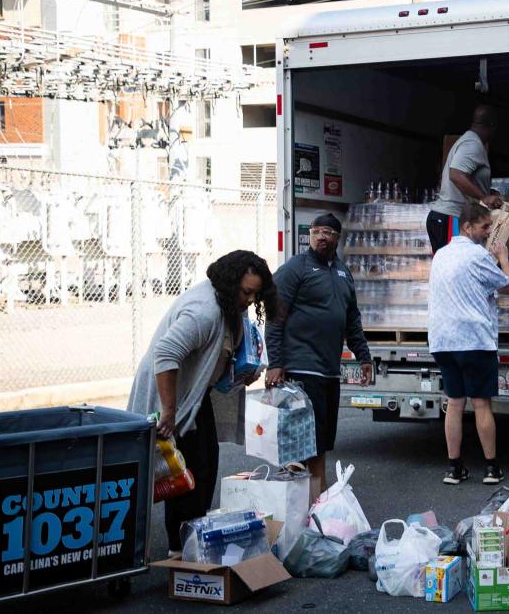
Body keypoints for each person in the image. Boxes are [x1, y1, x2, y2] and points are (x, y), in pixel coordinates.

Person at [127, 250, 280, 556]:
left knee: (205, 464)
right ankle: (179, 549)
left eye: (256, 294)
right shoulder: (205, 310)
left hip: (193, 396)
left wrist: (239, 374)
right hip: (169, 394)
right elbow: (165, 354)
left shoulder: (227, 304)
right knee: (184, 475)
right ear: (229, 283)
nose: (250, 300)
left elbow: (214, 355)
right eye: (246, 292)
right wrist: (169, 409)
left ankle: (189, 541)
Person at [264, 213, 372, 499]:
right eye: (316, 232)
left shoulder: (343, 272)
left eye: (327, 232)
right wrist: (275, 363)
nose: (321, 237)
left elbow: (352, 319)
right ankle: (293, 502)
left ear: (337, 237)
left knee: (321, 442)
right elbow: (274, 317)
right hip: (300, 369)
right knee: (299, 442)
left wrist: (364, 356)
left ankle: (317, 500)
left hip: (328, 371)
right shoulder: (295, 269)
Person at [428, 201, 509, 485]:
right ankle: (491, 467)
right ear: (467, 226)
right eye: (484, 227)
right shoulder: (478, 256)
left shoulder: (440, 255)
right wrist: (503, 256)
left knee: (454, 403)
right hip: (474, 339)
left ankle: (454, 468)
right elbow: (507, 285)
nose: (488, 231)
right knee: (480, 403)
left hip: (443, 340)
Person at [427, 105, 504, 254]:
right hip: (451, 217)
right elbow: (456, 174)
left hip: (449, 217)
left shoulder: (469, 141)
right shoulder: (472, 145)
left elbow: (466, 176)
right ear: (492, 126)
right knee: (455, 269)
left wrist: (486, 191)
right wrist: (484, 196)